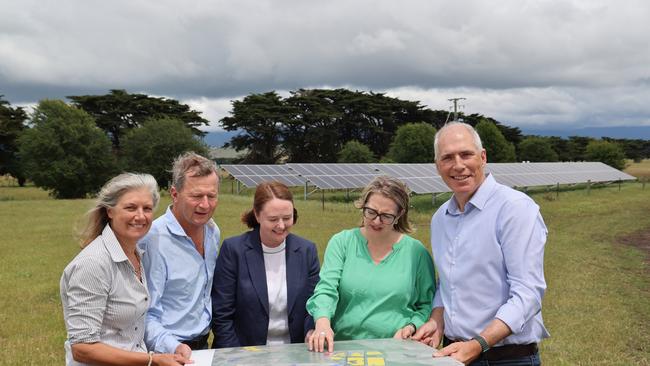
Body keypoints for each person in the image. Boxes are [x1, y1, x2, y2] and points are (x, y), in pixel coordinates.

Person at [413, 122, 549, 365]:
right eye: (447, 158)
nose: (458, 165)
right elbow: (448, 282)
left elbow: (528, 293)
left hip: (505, 359)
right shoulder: (440, 218)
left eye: (466, 154)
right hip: (454, 353)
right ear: (437, 167)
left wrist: (479, 344)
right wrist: (436, 320)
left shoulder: (514, 208)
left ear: (483, 157)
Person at [60, 173, 190, 366]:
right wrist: (152, 360)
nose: (140, 216)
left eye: (147, 208)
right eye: (130, 207)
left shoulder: (136, 254)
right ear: (109, 211)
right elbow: (82, 348)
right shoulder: (93, 264)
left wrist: (171, 347)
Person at [306, 176, 436, 353]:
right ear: (362, 206)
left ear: (399, 215)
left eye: (386, 216)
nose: (376, 221)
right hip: (343, 349)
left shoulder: (417, 252)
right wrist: (322, 323)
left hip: (397, 351)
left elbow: (425, 304)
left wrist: (412, 326)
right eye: (371, 212)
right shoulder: (342, 242)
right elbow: (326, 290)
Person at [211, 181, 320, 348]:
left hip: (295, 353)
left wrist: (311, 331)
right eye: (273, 219)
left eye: (287, 218)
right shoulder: (234, 251)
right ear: (257, 215)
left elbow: (313, 306)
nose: (281, 225)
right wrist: (235, 358)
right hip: (244, 354)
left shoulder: (307, 251)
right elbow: (221, 315)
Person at [139, 152, 220, 357]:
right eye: (196, 196)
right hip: (165, 352)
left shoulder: (212, 231)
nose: (205, 204)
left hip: (203, 346)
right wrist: (172, 347)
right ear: (174, 194)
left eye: (211, 196)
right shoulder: (152, 239)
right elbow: (144, 313)